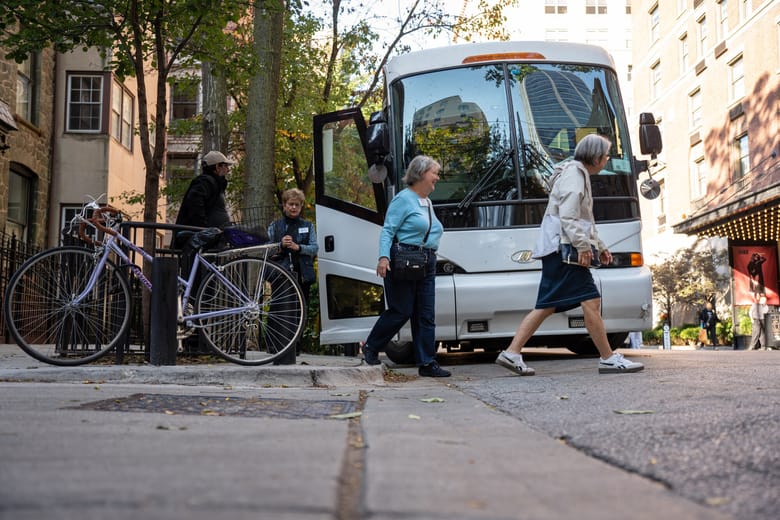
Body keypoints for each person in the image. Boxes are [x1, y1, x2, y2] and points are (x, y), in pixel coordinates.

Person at [494, 134, 644, 375]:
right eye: (605, 154)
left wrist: (600, 246)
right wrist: (584, 247)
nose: (607, 158)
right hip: (563, 250)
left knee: (547, 305)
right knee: (590, 301)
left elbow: (583, 219)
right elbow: (568, 216)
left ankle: (512, 352)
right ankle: (607, 357)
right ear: (595, 156)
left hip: (558, 249)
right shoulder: (575, 175)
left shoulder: (575, 173)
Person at [361, 155, 450, 377]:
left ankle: (427, 363)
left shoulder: (426, 202)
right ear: (420, 174)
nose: (437, 177)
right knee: (402, 311)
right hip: (404, 260)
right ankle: (371, 347)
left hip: (426, 261)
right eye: (434, 173)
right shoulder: (403, 199)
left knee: (425, 314)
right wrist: (383, 258)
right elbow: (388, 230)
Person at [267, 188, 319, 303]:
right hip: (280, 274)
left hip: (303, 274)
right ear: (285, 206)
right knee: (281, 308)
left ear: (301, 206)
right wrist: (280, 245)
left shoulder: (308, 225)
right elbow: (266, 250)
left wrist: (299, 247)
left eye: (297, 205)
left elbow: (315, 248)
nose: (294, 207)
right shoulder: (274, 226)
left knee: (301, 308)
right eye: (291, 204)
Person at [174, 150, 233, 246]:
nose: (228, 169)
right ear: (217, 167)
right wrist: (205, 230)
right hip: (202, 240)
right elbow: (195, 206)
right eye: (225, 166)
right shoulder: (205, 182)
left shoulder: (214, 184)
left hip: (211, 238)